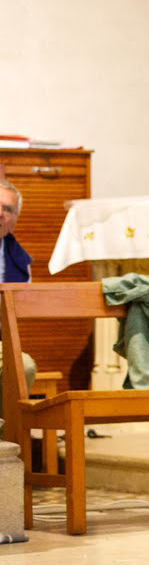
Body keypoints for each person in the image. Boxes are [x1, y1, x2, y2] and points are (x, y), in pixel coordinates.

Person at [0, 179, 37, 436]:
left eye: (8, 209)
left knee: (24, 366)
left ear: (14, 220)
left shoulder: (20, 262)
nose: (0, 213)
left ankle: (8, 439)